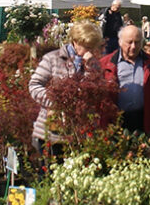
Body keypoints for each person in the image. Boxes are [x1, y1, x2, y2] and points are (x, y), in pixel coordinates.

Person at [29, 21, 104, 151]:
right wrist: (56, 101)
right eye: (87, 46)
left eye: (93, 47)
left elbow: (97, 91)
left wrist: (90, 68)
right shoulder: (53, 58)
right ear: (75, 41)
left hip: (80, 132)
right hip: (51, 132)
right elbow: (34, 85)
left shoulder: (93, 63)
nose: (90, 50)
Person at [100, 26, 150, 135]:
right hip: (116, 122)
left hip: (144, 120)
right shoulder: (106, 64)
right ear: (120, 42)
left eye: (137, 42)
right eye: (129, 42)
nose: (133, 46)